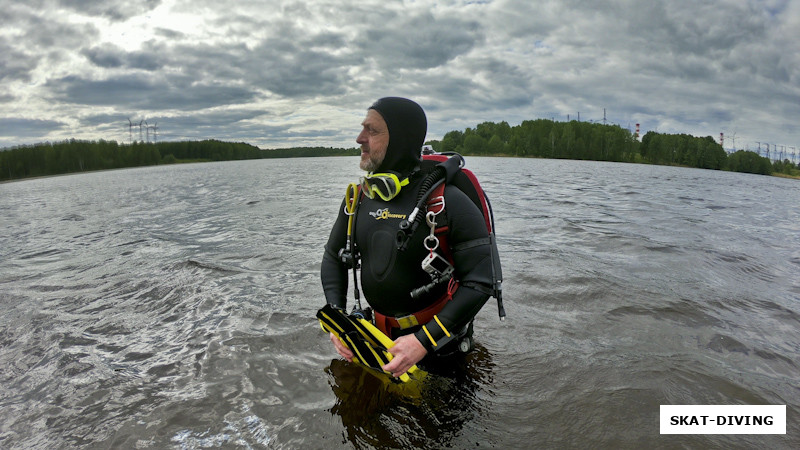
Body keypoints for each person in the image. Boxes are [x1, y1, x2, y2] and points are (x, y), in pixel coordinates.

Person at [320, 97, 496, 378]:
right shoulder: (359, 199)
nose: (359, 139)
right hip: (376, 339)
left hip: (441, 346)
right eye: (362, 128)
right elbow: (333, 257)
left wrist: (422, 342)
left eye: (372, 131)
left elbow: (481, 280)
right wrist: (338, 321)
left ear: (401, 139)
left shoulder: (447, 202)